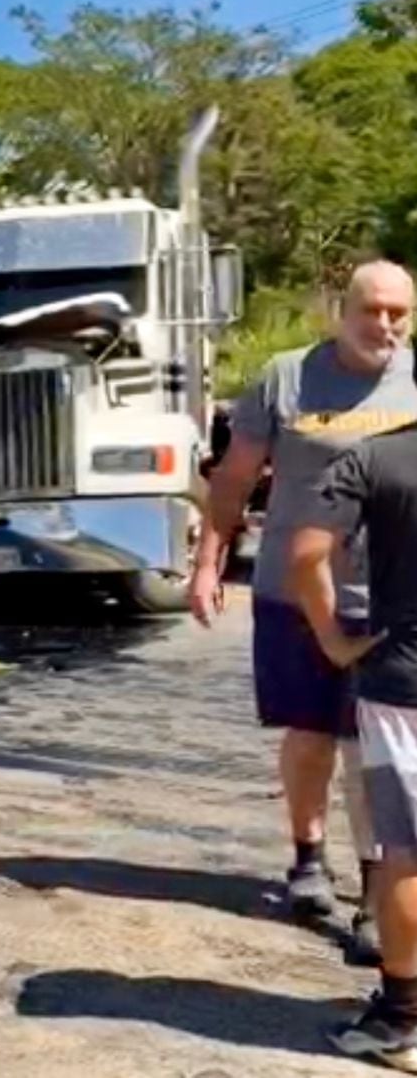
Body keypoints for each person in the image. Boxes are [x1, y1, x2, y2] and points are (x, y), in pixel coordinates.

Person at [192, 260, 417, 960]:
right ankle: (307, 856)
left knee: (368, 754)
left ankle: (377, 898)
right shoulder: (288, 378)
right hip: (294, 593)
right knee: (312, 738)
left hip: (388, 600)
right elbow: (234, 479)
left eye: (397, 313)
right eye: (370, 309)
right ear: (341, 311)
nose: (383, 324)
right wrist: (208, 563)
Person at [291, 362, 417, 1069]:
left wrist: (336, 639)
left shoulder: (377, 455)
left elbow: (307, 554)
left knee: (406, 851)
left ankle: (402, 1020)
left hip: (403, 683)